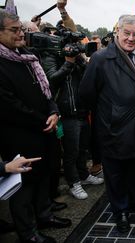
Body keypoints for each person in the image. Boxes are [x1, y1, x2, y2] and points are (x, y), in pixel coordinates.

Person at [0, 9, 72, 243]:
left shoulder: (27, 55)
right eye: (14, 30)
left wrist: (53, 111)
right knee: (24, 186)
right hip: (18, 136)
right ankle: (28, 233)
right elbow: (10, 105)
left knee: (44, 176)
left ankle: (44, 216)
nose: (22, 33)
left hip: (44, 130)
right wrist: (45, 118)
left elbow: (46, 90)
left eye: (21, 28)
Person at [79, 14, 135, 233]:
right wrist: (111, 113)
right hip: (114, 128)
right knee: (115, 173)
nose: (131, 38)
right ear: (117, 32)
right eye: (127, 33)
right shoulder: (101, 59)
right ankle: (120, 209)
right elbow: (86, 94)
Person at [41, 26, 104, 200]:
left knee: (83, 149)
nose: (74, 46)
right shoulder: (50, 56)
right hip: (66, 113)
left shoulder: (78, 57)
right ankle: (73, 182)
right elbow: (51, 80)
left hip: (83, 110)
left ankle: (83, 176)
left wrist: (81, 59)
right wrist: (68, 61)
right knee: (71, 152)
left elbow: (88, 75)